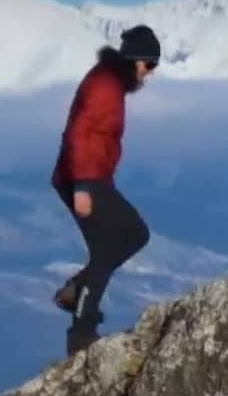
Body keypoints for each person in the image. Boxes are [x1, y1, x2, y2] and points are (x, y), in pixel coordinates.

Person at [49, 25, 158, 356]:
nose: (149, 74)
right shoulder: (105, 88)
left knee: (128, 237)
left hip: (90, 177)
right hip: (84, 180)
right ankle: (81, 332)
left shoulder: (108, 81)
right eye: (149, 65)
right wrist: (83, 187)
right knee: (123, 239)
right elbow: (79, 134)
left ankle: (79, 293)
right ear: (135, 61)